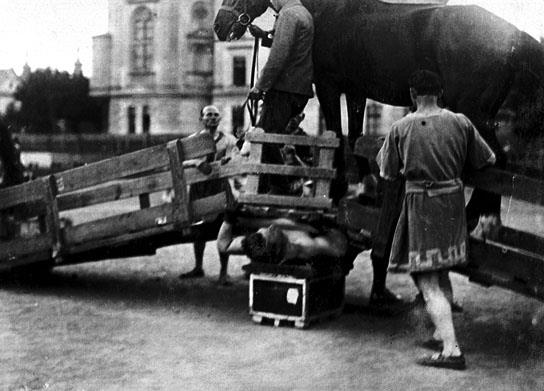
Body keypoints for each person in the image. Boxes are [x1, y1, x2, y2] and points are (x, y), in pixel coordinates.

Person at [376, 69, 496, 370]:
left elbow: (387, 171)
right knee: (441, 270)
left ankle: (451, 350)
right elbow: (487, 159)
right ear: (440, 94)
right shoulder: (460, 121)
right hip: (453, 203)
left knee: (427, 280)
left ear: (412, 94)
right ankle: (441, 333)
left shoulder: (401, 127)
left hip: (422, 205)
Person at [247, 0, 314, 194]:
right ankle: (270, 189)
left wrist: (259, 86)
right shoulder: (301, 13)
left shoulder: (288, 15)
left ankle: (283, 189)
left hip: (284, 89)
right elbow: (290, 46)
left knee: (264, 137)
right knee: (268, 136)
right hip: (297, 89)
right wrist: (265, 36)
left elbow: (278, 57)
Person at [179, 105, 239, 284]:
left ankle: (223, 272)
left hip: (220, 187)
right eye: (208, 115)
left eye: (215, 115)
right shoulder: (193, 140)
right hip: (200, 188)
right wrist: (196, 162)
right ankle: (198, 267)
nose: (212, 118)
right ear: (201, 119)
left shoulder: (228, 140)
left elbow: (235, 158)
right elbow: (181, 162)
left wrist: (228, 160)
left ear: (220, 119)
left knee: (224, 227)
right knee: (198, 229)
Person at [217, 215, 347, 265]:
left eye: (267, 228)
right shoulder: (303, 246)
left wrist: (228, 219)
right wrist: (329, 227)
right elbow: (340, 249)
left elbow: (224, 246)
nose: (271, 227)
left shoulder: (258, 242)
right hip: (321, 232)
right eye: (271, 231)